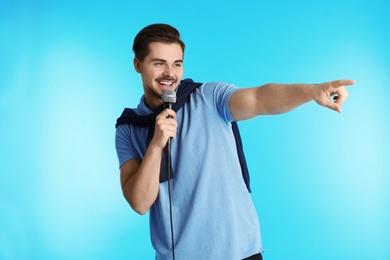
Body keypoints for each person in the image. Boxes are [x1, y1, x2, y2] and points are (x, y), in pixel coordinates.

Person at [115, 23, 355, 260]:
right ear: (138, 65)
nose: (170, 73)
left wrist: (312, 91)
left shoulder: (209, 97)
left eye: (176, 64)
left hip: (238, 253)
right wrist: (156, 144)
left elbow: (260, 98)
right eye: (159, 63)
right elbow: (140, 202)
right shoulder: (129, 128)